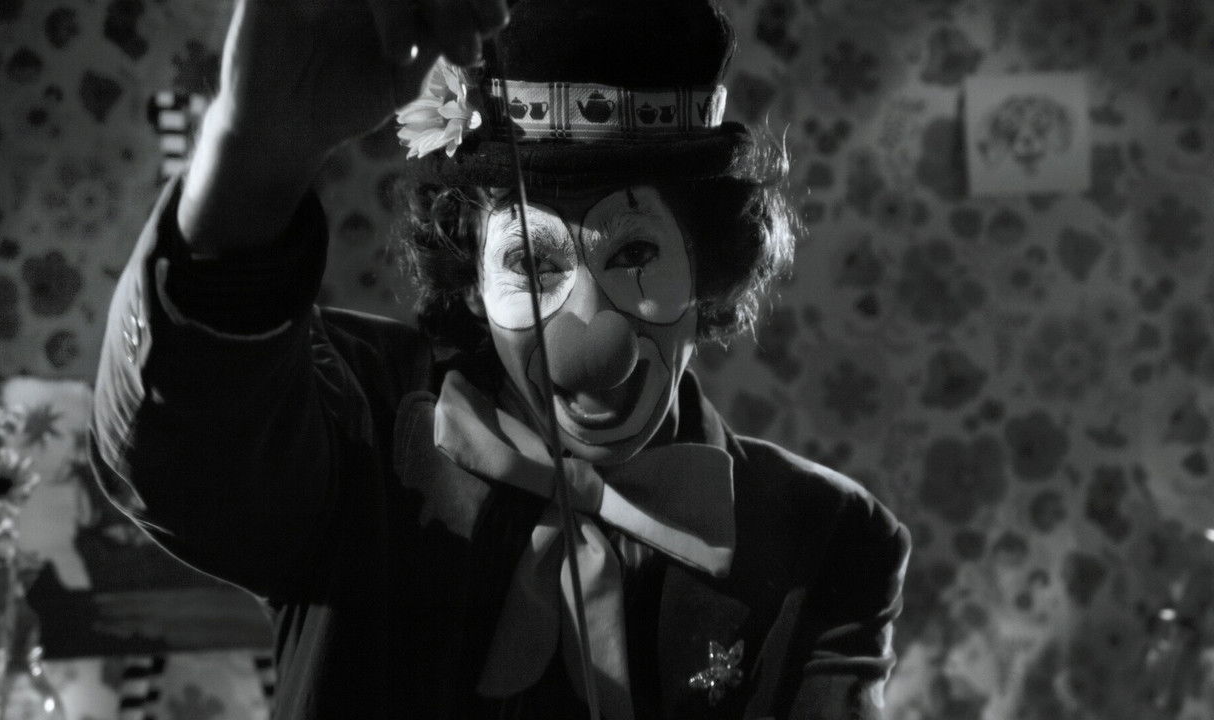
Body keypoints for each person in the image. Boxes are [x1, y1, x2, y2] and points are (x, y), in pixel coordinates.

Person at [90, 0, 912, 717]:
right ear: (474, 282)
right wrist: (253, 153)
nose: (588, 330)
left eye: (633, 253)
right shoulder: (357, 421)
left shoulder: (830, 540)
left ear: (707, 270)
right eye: (532, 261)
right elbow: (183, 453)